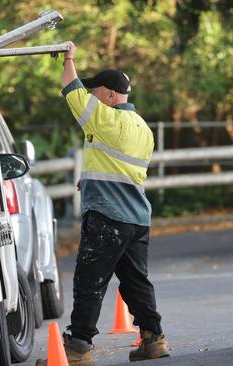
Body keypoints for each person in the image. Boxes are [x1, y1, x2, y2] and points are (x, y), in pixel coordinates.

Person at [58, 41, 169, 365]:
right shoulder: (143, 129)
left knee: (89, 280)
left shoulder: (104, 119)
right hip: (137, 218)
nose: (92, 96)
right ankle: (153, 339)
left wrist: (69, 58)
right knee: (136, 282)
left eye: (96, 91)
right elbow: (123, 168)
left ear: (109, 95)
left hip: (108, 216)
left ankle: (78, 349)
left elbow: (71, 87)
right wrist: (89, 180)